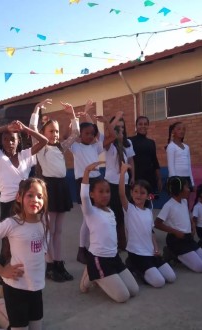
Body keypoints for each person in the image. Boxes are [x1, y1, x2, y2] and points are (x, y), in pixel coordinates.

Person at [0, 120, 48, 289]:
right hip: (8, 206)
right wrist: (6, 128)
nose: (9, 142)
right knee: (6, 245)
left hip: (26, 203)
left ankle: (25, 276)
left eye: (13, 139)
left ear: (18, 141)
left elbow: (44, 141)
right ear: (1, 142)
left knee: (24, 242)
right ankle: (3, 283)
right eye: (5, 139)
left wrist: (25, 129)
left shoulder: (26, 155)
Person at [0, 178, 49, 330]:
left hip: (36, 288)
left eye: (40, 196)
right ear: (19, 197)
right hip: (16, 289)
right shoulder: (11, 223)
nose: (35, 200)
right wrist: (1, 271)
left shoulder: (44, 221)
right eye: (30, 195)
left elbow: (44, 247)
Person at [30, 99, 78, 282]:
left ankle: (58, 263)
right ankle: (48, 265)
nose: (55, 134)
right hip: (48, 188)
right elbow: (32, 130)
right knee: (48, 230)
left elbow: (75, 133)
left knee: (58, 230)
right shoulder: (41, 147)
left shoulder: (60, 147)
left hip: (62, 187)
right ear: (43, 133)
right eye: (51, 131)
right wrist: (36, 109)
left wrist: (72, 114)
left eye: (57, 131)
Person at [79, 161, 139, 302]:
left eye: (107, 191)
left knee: (134, 291)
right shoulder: (90, 211)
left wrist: (123, 172)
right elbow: (84, 196)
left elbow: (120, 192)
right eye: (101, 192)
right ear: (92, 194)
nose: (105, 195)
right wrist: (87, 171)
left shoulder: (110, 211)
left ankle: (98, 274)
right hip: (99, 259)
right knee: (123, 297)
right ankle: (90, 272)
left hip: (114, 257)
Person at [70, 100, 115, 264]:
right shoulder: (75, 146)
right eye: (86, 133)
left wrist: (106, 123)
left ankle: (95, 246)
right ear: (80, 134)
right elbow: (71, 135)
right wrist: (75, 116)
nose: (90, 136)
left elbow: (113, 136)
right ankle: (82, 249)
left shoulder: (95, 147)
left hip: (98, 179)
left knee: (96, 216)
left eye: (92, 133)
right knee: (87, 218)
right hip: (83, 181)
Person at [119, 162, 176, 288]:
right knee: (159, 282)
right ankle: (134, 266)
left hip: (150, 252)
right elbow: (122, 194)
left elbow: (151, 232)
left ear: (149, 196)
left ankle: (150, 268)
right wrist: (123, 172)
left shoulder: (148, 211)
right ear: (132, 193)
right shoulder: (129, 209)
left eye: (142, 193)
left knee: (171, 277)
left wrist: (156, 249)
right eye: (136, 191)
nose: (138, 195)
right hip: (137, 254)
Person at [154, 176, 202, 273]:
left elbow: (186, 214)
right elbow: (157, 224)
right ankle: (172, 253)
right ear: (179, 190)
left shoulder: (184, 201)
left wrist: (192, 224)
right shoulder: (169, 205)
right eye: (186, 187)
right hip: (176, 240)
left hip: (188, 239)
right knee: (200, 268)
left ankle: (185, 255)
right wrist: (175, 232)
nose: (189, 189)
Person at [104, 111, 135, 250]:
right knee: (115, 213)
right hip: (112, 183)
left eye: (122, 127)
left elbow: (131, 160)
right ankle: (117, 242)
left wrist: (133, 175)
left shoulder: (128, 144)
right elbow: (109, 132)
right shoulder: (109, 145)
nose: (120, 130)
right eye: (117, 128)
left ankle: (125, 241)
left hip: (126, 181)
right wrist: (114, 119)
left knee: (125, 212)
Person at [129, 116, 162, 195]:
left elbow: (155, 161)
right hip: (135, 178)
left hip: (150, 178)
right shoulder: (130, 141)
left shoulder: (151, 142)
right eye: (140, 124)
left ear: (148, 126)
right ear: (136, 126)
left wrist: (159, 179)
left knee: (148, 202)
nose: (143, 126)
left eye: (145, 124)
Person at [166, 121, 195, 191]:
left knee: (186, 200)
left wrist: (192, 182)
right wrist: (174, 181)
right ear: (173, 131)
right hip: (177, 179)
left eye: (183, 129)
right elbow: (171, 166)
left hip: (187, 178)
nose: (182, 131)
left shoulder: (187, 147)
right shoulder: (171, 146)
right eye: (179, 129)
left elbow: (189, 166)